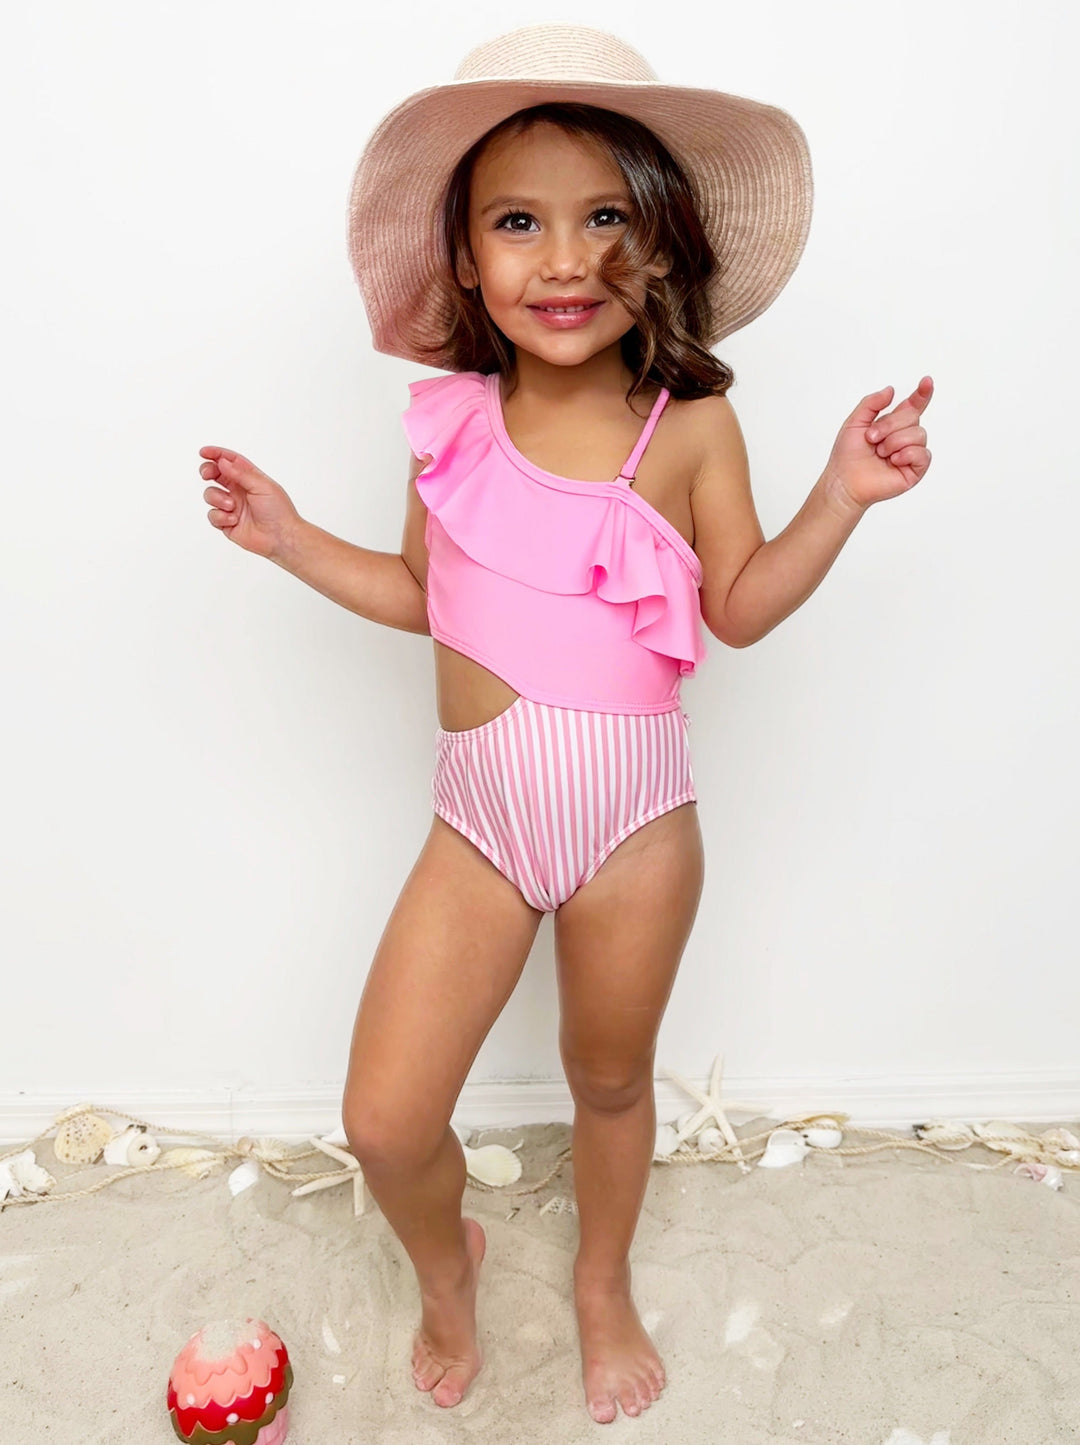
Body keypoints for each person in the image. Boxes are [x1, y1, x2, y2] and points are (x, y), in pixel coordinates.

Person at [197, 23, 933, 1426]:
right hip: (479, 824)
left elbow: (741, 608)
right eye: (519, 222)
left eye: (605, 218)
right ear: (465, 256)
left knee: (607, 1077)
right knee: (385, 1119)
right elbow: (424, 594)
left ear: (660, 242)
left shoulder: (688, 426)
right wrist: (290, 540)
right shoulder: (454, 424)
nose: (566, 258)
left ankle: (602, 1283)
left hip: (634, 830)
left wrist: (841, 493)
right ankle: (450, 1268)